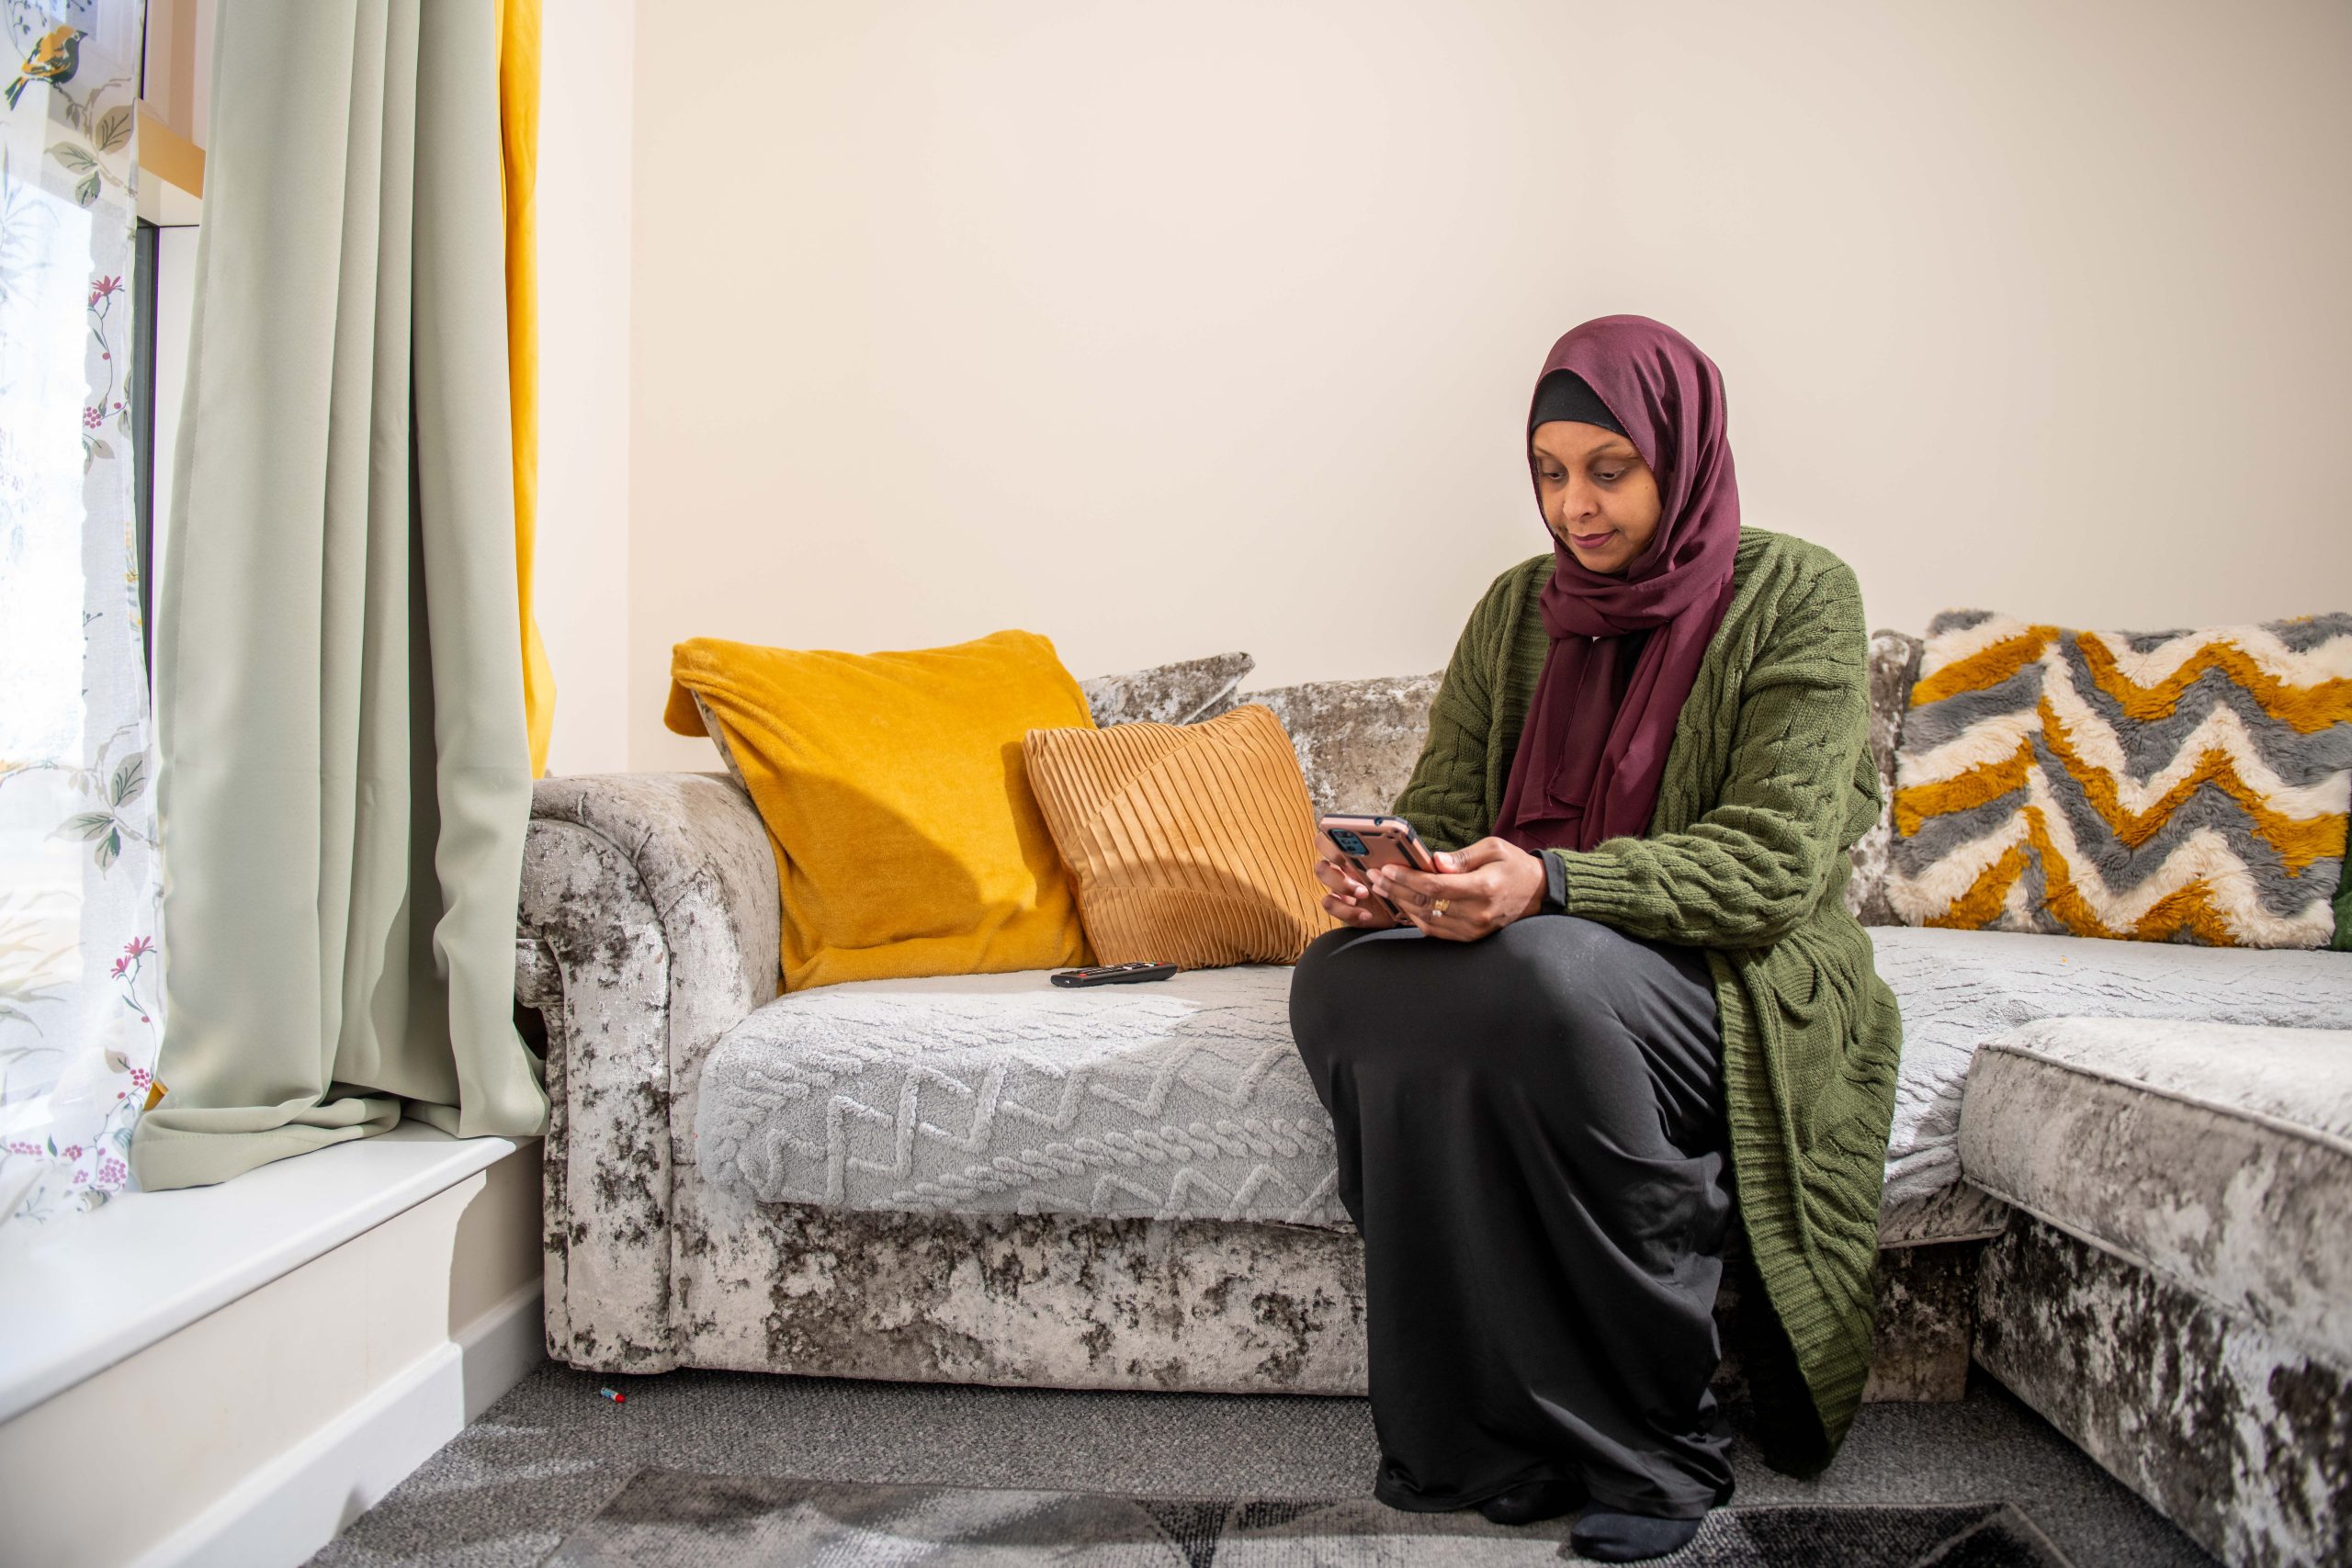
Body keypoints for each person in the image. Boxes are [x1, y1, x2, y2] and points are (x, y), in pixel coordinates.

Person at [1288, 314, 1902, 1563]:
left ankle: (1651, 1447)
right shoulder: (1520, 609)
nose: (1577, 505)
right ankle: (1493, 1433)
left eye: (1610, 469)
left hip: (1727, 970)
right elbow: (1456, 807)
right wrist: (1405, 878)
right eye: (1552, 472)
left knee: (1549, 976)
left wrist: (1550, 882)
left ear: (1682, 454)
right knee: (1342, 983)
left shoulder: (1799, 597)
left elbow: (1775, 864)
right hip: (1542, 948)